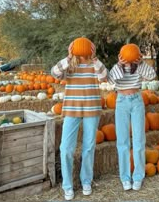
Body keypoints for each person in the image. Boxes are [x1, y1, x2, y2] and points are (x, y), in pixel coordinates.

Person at [51, 37, 107, 201]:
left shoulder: (94, 65)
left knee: (88, 147)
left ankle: (86, 181)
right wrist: (68, 57)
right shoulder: (70, 65)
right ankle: (67, 185)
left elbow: (105, 77)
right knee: (66, 148)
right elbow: (54, 73)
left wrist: (95, 58)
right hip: (72, 109)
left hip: (92, 109)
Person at [108, 43, 156, 191]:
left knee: (139, 140)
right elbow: (111, 81)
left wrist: (140, 62)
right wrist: (119, 64)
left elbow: (152, 76)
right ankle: (125, 177)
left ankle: (138, 176)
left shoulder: (139, 66)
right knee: (122, 141)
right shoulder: (118, 67)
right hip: (121, 101)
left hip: (136, 101)